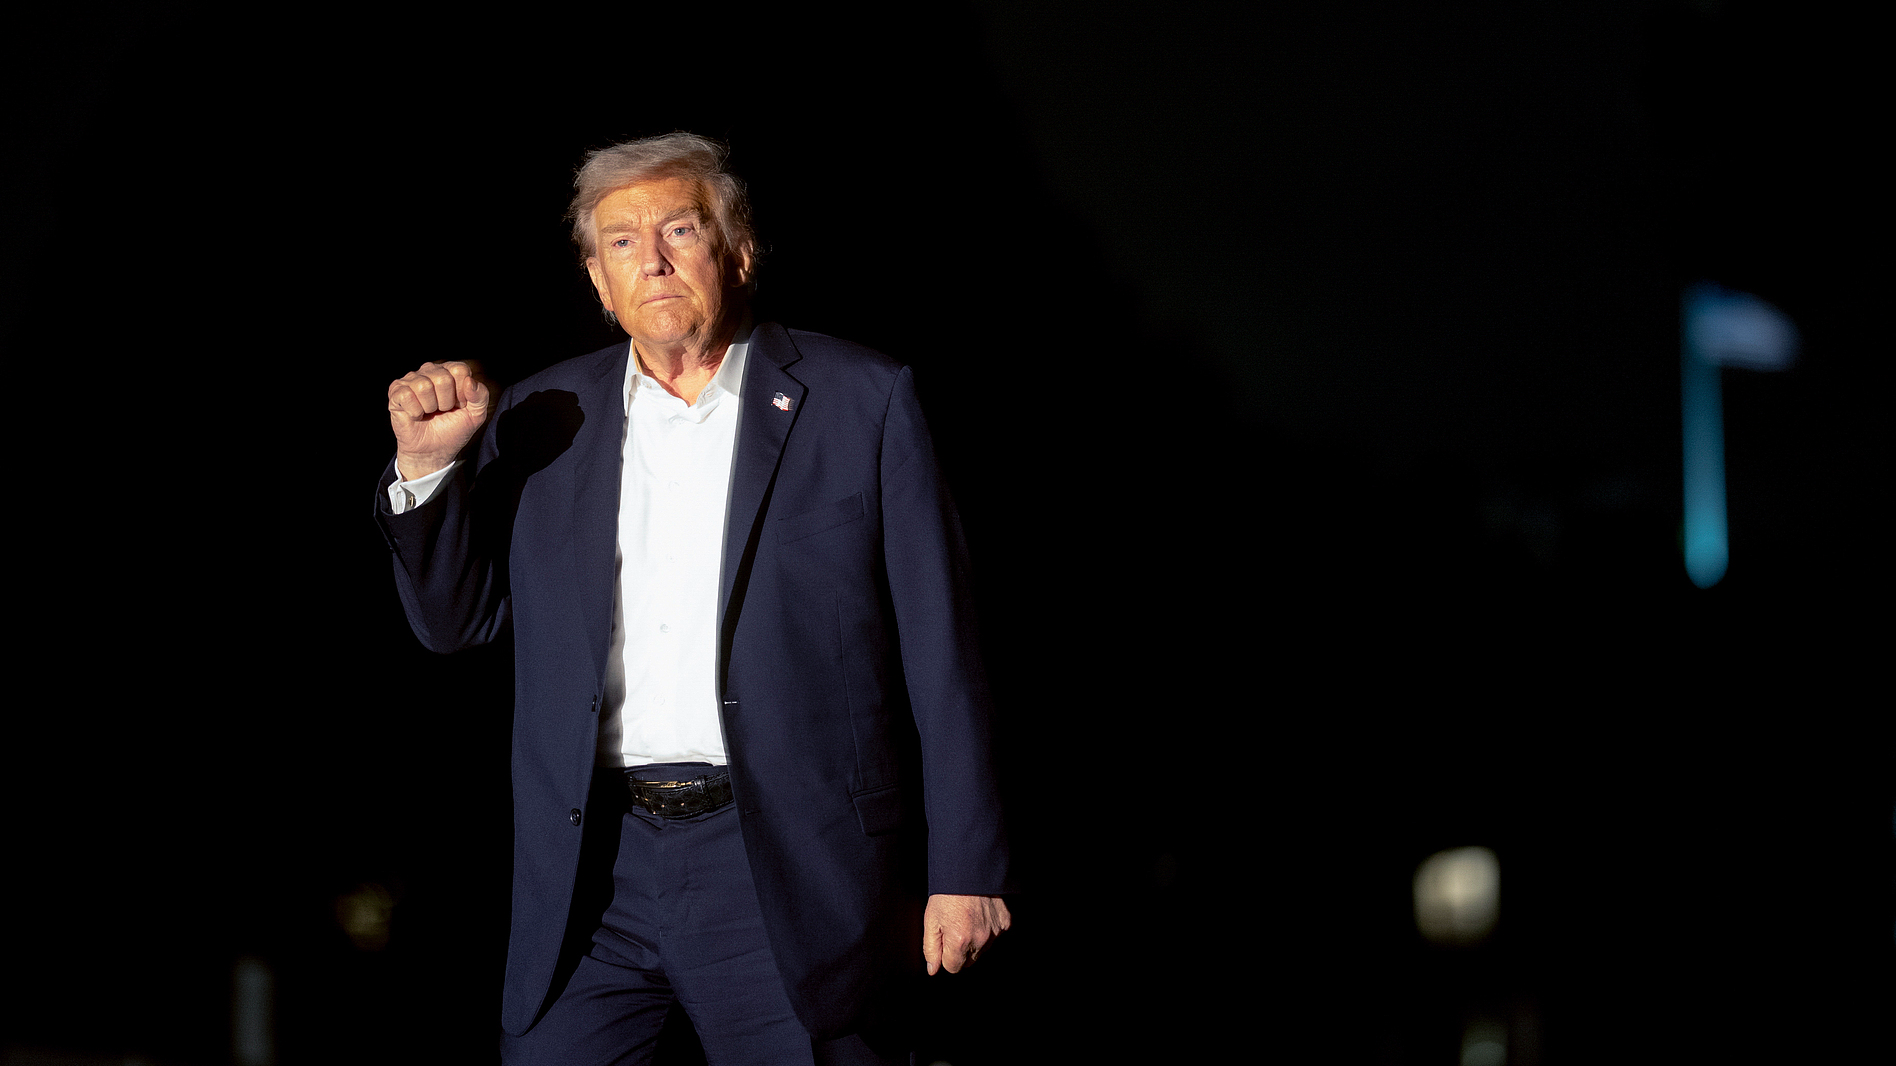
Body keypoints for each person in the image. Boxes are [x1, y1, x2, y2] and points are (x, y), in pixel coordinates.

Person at [376, 132, 1012, 1065]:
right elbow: (453, 622)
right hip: (593, 871)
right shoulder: (543, 418)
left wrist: (966, 867)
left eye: (681, 229)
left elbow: (943, 646)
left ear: (739, 252)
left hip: (786, 870)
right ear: (597, 281)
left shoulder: (862, 399)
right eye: (622, 243)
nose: (655, 259)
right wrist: (428, 469)